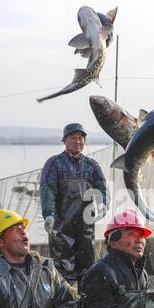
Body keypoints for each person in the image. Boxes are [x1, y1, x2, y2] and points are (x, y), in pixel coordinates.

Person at [40, 122, 110, 286]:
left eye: (81, 138)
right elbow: (47, 190)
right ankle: (65, 303)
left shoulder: (92, 165)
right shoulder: (54, 163)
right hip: (61, 226)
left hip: (86, 226)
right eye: (73, 137)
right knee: (63, 269)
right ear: (64, 140)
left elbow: (102, 188)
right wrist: (48, 214)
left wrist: (103, 204)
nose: (77, 141)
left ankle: (86, 303)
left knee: (87, 266)